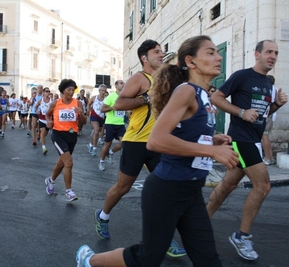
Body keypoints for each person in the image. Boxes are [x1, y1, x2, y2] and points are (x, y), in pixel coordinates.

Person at [76, 35, 240, 267]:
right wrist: (212, 153)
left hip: (191, 190)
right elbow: (156, 140)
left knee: (209, 260)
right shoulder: (185, 91)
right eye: (211, 52)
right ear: (191, 61)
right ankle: (89, 260)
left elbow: (183, 130)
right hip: (165, 184)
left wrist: (211, 142)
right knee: (147, 257)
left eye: (217, 52)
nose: (219, 57)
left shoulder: (204, 95)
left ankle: (164, 237)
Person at [93, 39, 185, 257]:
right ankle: (103, 216)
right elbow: (119, 104)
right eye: (156, 52)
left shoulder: (164, 79)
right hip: (136, 142)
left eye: (162, 51)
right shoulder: (140, 78)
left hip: (159, 143)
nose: (161, 55)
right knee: (122, 188)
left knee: (165, 190)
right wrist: (146, 98)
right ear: (144, 58)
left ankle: (165, 238)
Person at [206, 40, 288, 261]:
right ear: (257, 54)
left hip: (254, 142)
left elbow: (262, 114)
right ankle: (241, 236)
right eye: (268, 52)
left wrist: (277, 105)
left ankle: (199, 225)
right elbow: (216, 97)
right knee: (263, 186)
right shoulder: (242, 76)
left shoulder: (269, 85)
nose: (273, 56)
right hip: (241, 140)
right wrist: (241, 112)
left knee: (227, 185)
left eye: (276, 53)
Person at [44, 79, 86, 201]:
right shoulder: (55, 103)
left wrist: (81, 114)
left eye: (73, 90)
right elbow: (47, 114)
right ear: (63, 90)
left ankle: (51, 180)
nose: (71, 92)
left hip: (72, 136)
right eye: (69, 89)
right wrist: (48, 122)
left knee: (61, 163)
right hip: (58, 135)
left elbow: (84, 121)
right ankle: (69, 191)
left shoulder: (78, 103)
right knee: (69, 163)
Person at [98, 80, 126, 171]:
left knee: (124, 143)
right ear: (116, 85)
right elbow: (102, 109)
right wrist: (112, 108)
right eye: (121, 83)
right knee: (107, 144)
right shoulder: (111, 97)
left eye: (123, 83)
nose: (123, 84)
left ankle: (111, 152)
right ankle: (101, 162)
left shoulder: (125, 97)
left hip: (120, 124)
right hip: (110, 124)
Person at [262, 75, 278, 165]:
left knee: (264, 136)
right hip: (272, 115)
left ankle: (267, 158)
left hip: (266, 114)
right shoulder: (275, 89)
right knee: (267, 137)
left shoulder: (268, 89)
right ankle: (271, 157)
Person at [87, 85, 107, 156]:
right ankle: (94, 149)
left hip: (102, 118)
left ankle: (91, 145)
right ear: (99, 91)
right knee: (96, 130)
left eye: (104, 91)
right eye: (102, 90)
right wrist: (88, 110)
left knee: (96, 133)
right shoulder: (94, 98)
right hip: (94, 116)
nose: (103, 92)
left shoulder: (106, 99)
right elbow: (89, 104)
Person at [35, 87, 52, 155]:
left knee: (45, 134)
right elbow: (35, 106)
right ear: (43, 92)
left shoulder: (52, 100)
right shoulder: (40, 100)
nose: (48, 92)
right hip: (42, 118)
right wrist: (37, 111)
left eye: (49, 91)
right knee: (43, 132)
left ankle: (41, 139)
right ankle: (44, 147)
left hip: (48, 120)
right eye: (46, 91)